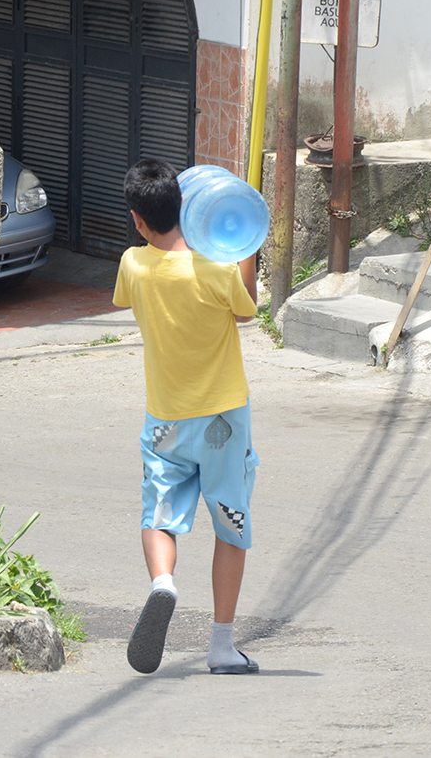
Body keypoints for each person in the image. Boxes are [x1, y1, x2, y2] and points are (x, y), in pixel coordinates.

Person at [112, 157, 261, 676]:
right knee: (230, 525)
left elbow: (137, 286)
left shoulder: (132, 267)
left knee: (159, 516)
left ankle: (163, 583)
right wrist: (244, 250)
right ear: (187, 202)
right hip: (223, 420)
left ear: (137, 218)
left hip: (166, 421)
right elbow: (246, 312)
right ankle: (222, 645)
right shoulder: (217, 271)